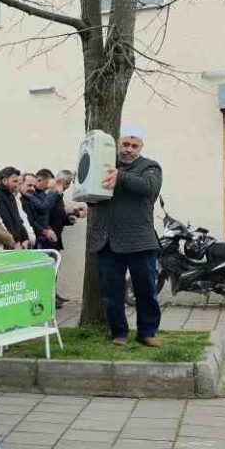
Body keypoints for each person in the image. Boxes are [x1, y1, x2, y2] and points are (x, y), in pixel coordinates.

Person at [92, 126, 164, 347]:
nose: (128, 149)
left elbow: (148, 187)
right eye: (125, 144)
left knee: (146, 290)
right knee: (111, 293)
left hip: (139, 241)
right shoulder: (103, 165)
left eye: (134, 146)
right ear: (118, 144)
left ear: (141, 148)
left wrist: (120, 176)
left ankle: (147, 332)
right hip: (107, 241)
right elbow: (91, 197)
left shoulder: (150, 167)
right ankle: (119, 333)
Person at [0, 167, 38, 249]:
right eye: (14, 181)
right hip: (10, 244)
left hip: (18, 243)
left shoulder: (12, 197)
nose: (17, 185)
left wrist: (25, 238)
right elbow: (6, 220)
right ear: (4, 181)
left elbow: (18, 220)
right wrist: (16, 240)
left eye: (18, 182)